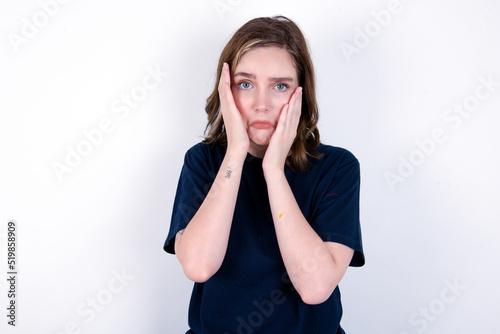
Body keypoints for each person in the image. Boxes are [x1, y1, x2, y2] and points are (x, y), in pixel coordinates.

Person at [164, 15, 364, 334]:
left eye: (279, 86)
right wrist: (235, 152)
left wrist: (273, 170)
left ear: (301, 93)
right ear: (226, 91)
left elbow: (315, 287)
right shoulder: (203, 161)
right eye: (246, 84)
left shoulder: (337, 168)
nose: (261, 104)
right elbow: (199, 265)